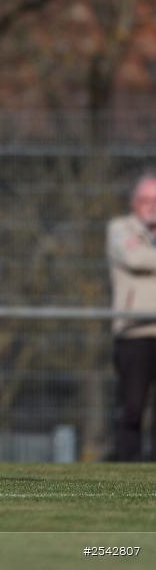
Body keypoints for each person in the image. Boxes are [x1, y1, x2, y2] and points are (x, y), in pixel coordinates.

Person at [106, 172, 156, 461]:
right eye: (145, 200)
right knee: (132, 406)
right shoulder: (119, 229)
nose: (151, 206)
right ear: (133, 203)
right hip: (133, 332)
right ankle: (127, 463)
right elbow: (134, 259)